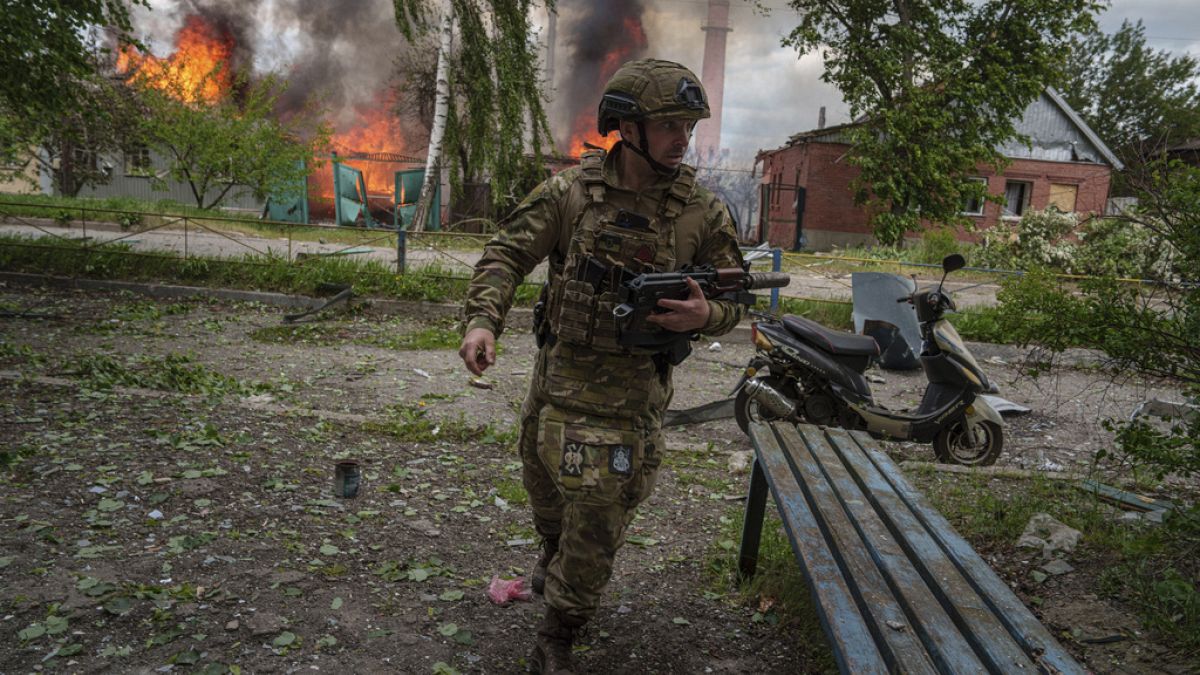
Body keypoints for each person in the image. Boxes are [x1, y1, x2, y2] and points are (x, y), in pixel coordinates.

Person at [458, 58, 746, 673]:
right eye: (669, 124)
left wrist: (706, 318)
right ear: (626, 126)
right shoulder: (570, 193)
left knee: (599, 515)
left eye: (688, 126)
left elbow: (734, 300)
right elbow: (506, 253)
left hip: (631, 398)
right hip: (557, 383)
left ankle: (558, 634)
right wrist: (484, 320)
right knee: (545, 491)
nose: (682, 138)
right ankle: (550, 554)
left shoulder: (702, 212)